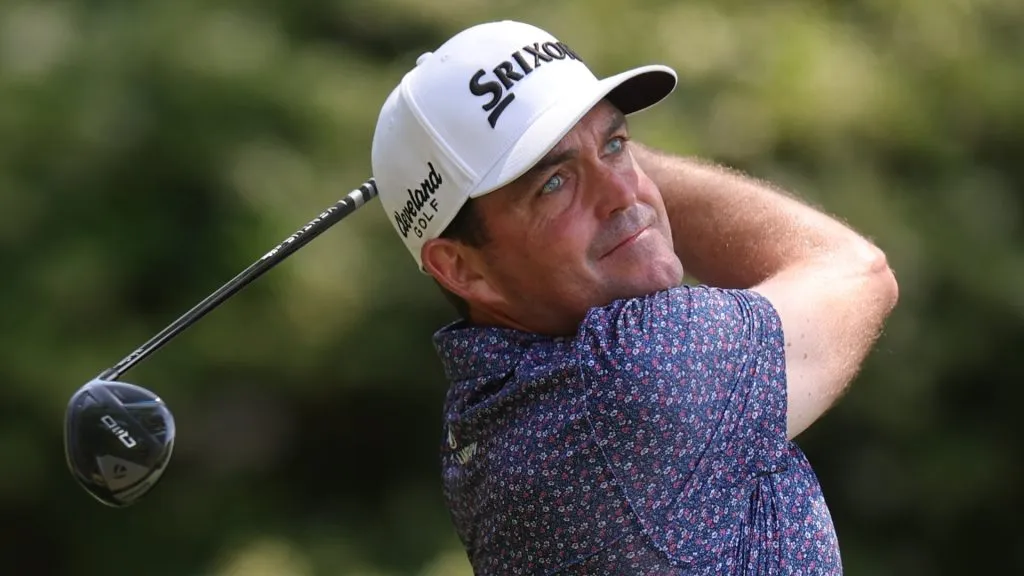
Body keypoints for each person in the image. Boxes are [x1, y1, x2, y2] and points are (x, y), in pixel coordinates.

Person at [370, 20, 899, 576]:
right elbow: (855, 271)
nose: (625, 191)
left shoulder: (481, 420)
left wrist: (567, 138)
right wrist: (595, 138)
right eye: (553, 183)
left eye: (616, 145)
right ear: (460, 267)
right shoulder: (635, 373)